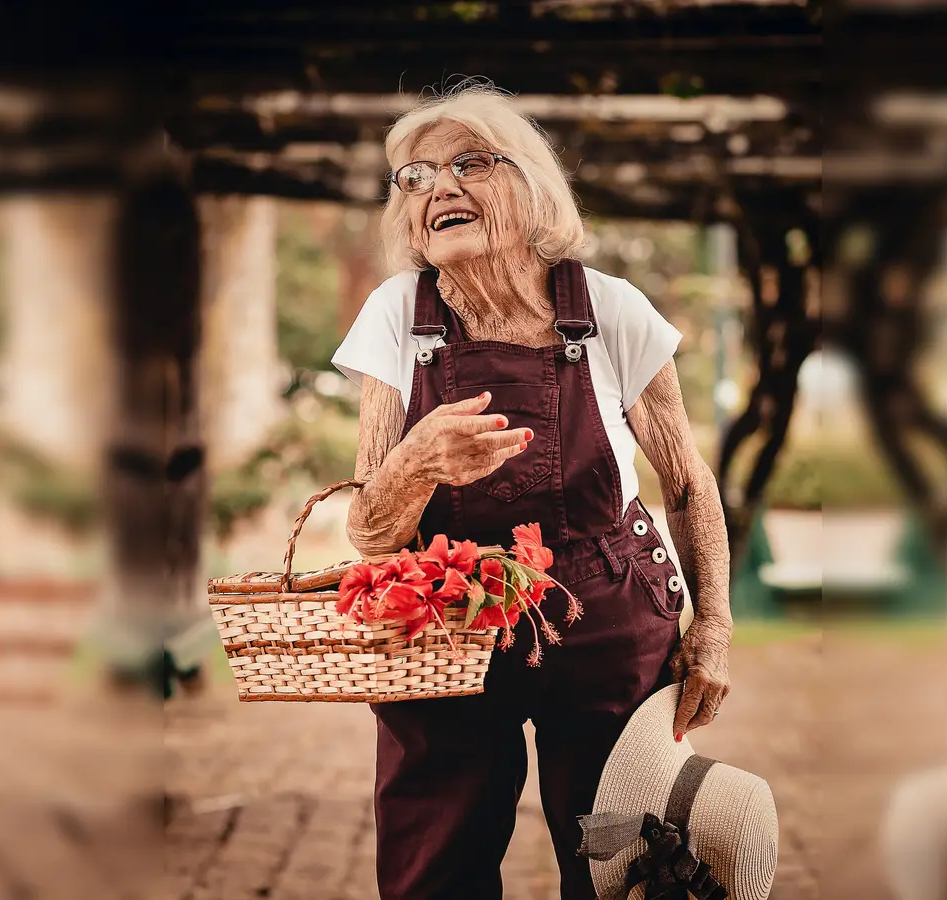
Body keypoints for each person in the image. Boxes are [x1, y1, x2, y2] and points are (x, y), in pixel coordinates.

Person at [331, 82, 734, 900]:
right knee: (430, 865)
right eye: (414, 178)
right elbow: (370, 535)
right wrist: (414, 463)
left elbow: (687, 481)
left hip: (607, 612)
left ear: (532, 186)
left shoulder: (612, 309)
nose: (438, 188)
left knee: (621, 862)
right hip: (443, 618)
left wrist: (715, 625)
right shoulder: (394, 316)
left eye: (468, 164)